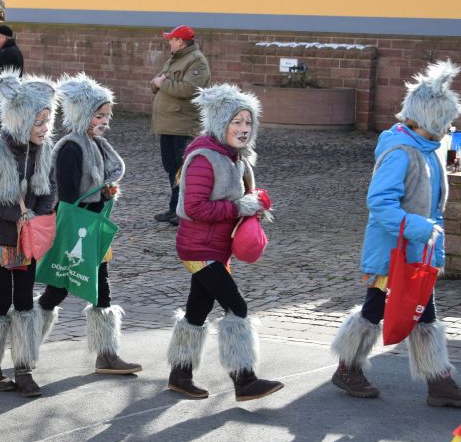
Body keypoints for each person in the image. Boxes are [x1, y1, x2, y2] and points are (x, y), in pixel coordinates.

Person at [330, 60, 461, 408]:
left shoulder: (427, 150)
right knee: (378, 308)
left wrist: (429, 238)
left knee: (423, 312)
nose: (450, 126)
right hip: (393, 253)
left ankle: (438, 381)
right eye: (445, 120)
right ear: (428, 119)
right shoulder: (401, 153)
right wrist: (419, 227)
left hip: (416, 251)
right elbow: (380, 203)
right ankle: (350, 367)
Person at [166, 83, 283, 401]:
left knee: (198, 309)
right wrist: (238, 207)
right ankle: (244, 380)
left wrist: (253, 205)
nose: (244, 128)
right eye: (237, 121)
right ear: (221, 123)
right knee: (237, 306)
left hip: (217, 248)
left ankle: (180, 374)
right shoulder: (205, 158)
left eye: (248, 122)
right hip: (198, 248)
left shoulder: (235, 158)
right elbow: (193, 208)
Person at [37, 73, 141, 375]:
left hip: (92, 227)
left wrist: (105, 193)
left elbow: (91, 189)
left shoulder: (95, 143)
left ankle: (106, 353)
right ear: (83, 115)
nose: (104, 121)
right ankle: (26, 343)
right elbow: (69, 195)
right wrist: (96, 196)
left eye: (107, 115)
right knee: (57, 289)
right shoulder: (71, 147)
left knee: (100, 290)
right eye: (99, 115)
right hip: (76, 230)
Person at [0, 70, 57, 397]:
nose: (45, 128)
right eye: (38, 122)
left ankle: (23, 368)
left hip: (27, 239)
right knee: (1, 299)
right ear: (21, 121)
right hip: (0, 238)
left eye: (47, 121)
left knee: (24, 302)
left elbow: (50, 188)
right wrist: (15, 216)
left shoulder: (44, 149)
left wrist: (39, 215)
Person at [151, 25, 211, 226]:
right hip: (168, 124)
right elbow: (157, 80)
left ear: (181, 42)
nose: (169, 42)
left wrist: (162, 83)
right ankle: (174, 207)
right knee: (172, 168)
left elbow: (190, 89)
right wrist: (157, 83)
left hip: (183, 125)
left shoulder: (197, 60)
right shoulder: (175, 58)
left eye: (172, 39)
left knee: (183, 170)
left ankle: (185, 210)